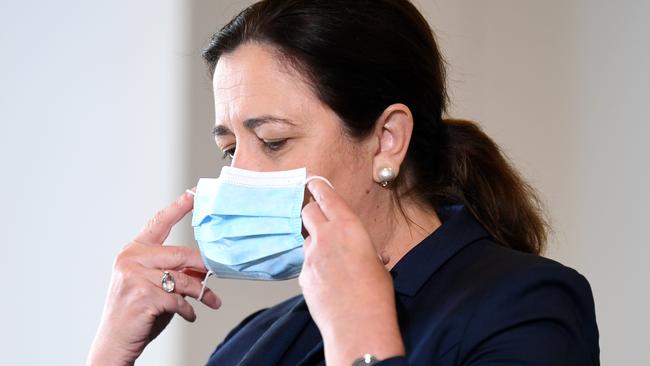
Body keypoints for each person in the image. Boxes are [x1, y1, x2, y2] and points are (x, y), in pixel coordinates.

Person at [87, 0, 600, 365]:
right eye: (228, 148)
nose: (237, 175)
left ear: (387, 140)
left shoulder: (526, 303)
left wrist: (360, 338)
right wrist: (112, 350)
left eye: (272, 141)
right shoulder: (260, 338)